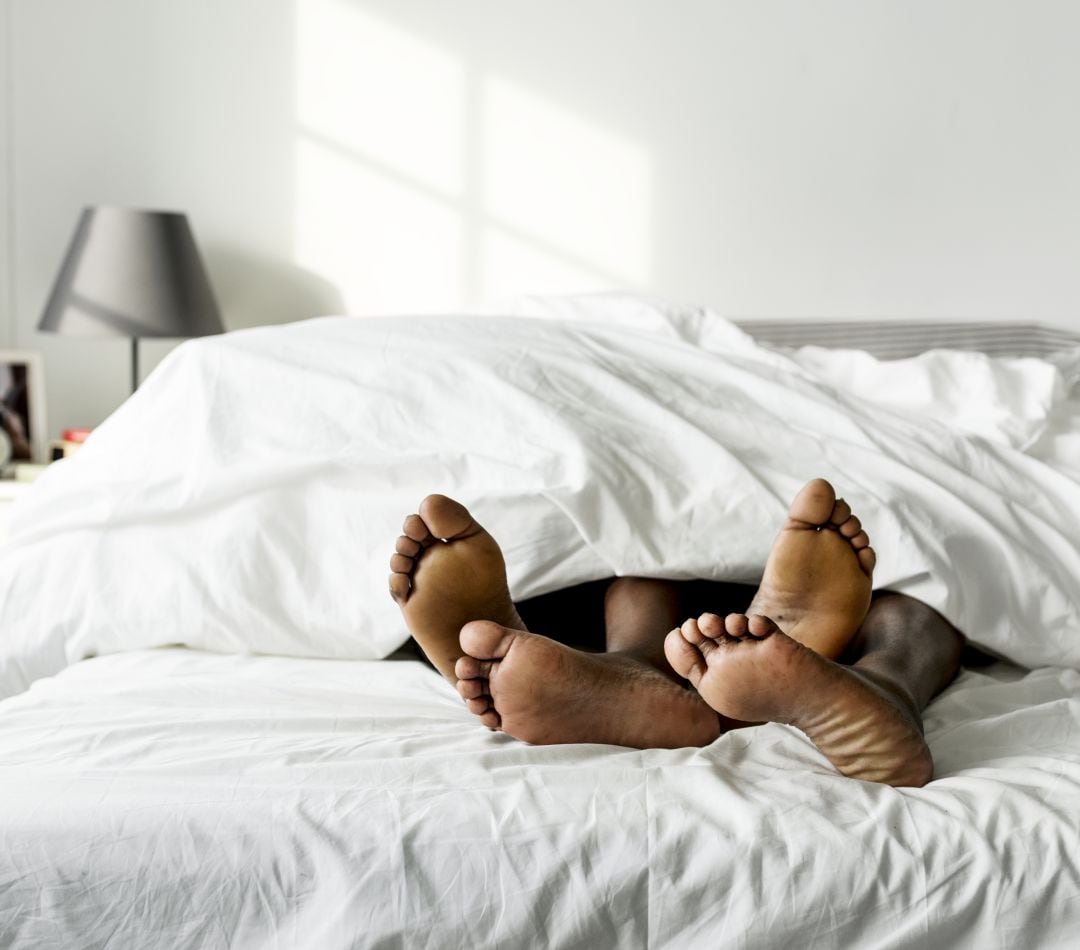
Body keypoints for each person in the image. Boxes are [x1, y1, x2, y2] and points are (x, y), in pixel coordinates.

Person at [387, 478, 965, 788]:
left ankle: (638, 668)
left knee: (638, 570)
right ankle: (880, 689)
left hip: (620, 593)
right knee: (917, 608)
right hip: (639, 587)